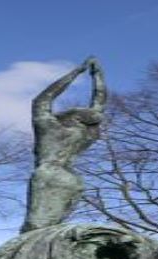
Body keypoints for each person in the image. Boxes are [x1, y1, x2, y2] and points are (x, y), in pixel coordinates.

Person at [21, 57, 106, 233]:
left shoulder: (49, 127)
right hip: (72, 179)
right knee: (52, 229)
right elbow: (100, 101)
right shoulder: (84, 135)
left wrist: (76, 71)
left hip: (49, 174)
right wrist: (97, 75)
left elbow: (42, 100)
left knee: (34, 229)